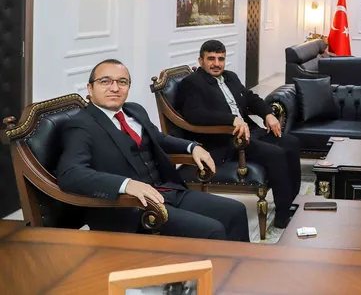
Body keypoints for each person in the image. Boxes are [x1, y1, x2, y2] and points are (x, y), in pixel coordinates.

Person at [56, 59, 249, 242]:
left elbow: (159, 139)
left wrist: (192, 147)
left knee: (236, 211)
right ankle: (215, 267)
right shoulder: (81, 125)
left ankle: (239, 265)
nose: (115, 88)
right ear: (90, 88)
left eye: (122, 82)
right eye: (105, 81)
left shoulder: (134, 111)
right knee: (213, 230)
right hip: (131, 207)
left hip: (167, 191)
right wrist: (126, 185)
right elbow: (70, 174)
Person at [176, 40, 301, 229]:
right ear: (201, 61)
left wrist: (267, 114)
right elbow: (195, 114)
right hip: (225, 140)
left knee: (291, 143)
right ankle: (282, 217)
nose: (216, 64)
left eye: (221, 59)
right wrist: (231, 120)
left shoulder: (230, 77)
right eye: (211, 59)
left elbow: (250, 98)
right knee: (276, 154)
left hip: (249, 132)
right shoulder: (192, 83)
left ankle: (290, 201)